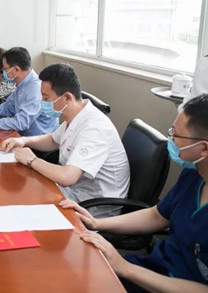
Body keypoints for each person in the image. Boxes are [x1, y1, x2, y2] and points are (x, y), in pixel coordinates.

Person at [61, 93, 208, 292]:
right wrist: (97, 223)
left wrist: (125, 268)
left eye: (176, 135)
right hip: (153, 269)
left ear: (203, 148)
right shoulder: (193, 175)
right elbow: (157, 216)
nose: (171, 140)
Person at [2, 63, 130, 217]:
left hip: (92, 205)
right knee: (22, 191)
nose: (42, 101)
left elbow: (68, 177)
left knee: (23, 204)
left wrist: (31, 160)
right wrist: (24, 141)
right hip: (74, 192)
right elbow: (53, 140)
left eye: (46, 98)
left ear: (67, 97)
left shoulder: (95, 128)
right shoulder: (76, 115)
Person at [0, 47, 58, 136]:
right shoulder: (21, 83)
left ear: (16, 69)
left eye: (5, 69)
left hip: (35, 141)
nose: (3, 72)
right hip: (20, 136)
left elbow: (21, 123)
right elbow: (8, 107)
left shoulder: (36, 89)